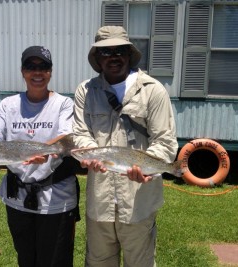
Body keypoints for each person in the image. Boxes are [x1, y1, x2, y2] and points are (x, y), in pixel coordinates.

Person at [72, 26, 178, 267]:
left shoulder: (152, 91)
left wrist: (146, 166)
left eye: (120, 50)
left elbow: (165, 140)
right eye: (106, 52)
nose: (113, 57)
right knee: (98, 262)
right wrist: (91, 154)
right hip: (100, 203)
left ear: (129, 54)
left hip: (139, 201)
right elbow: (80, 132)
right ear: (97, 58)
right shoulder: (85, 91)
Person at [0, 46, 82, 267]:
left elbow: (67, 138)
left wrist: (40, 151)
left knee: (55, 261)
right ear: (22, 71)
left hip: (56, 199)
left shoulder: (63, 104)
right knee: (26, 260)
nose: (37, 73)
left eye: (43, 67)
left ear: (51, 71)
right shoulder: (8, 105)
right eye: (31, 67)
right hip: (17, 198)